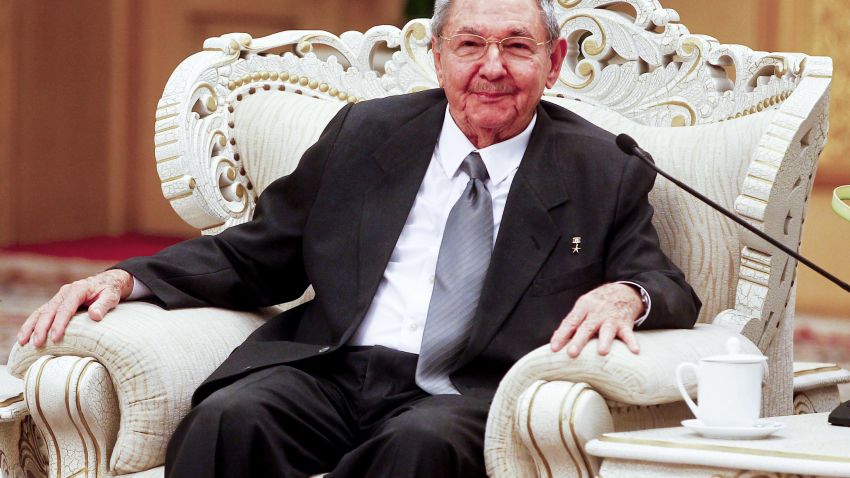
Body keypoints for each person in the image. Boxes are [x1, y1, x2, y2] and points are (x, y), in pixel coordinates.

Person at [17, 0, 701, 475]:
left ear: (552, 64)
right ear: (438, 57)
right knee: (233, 419)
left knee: (420, 447)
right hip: (339, 367)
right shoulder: (369, 133)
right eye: (470, 45)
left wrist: (627, 295)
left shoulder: (599, 169)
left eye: (517, 47)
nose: (491, 66)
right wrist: (128, 279)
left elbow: (665, 284)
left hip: (469, 390)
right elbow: (260, 252)